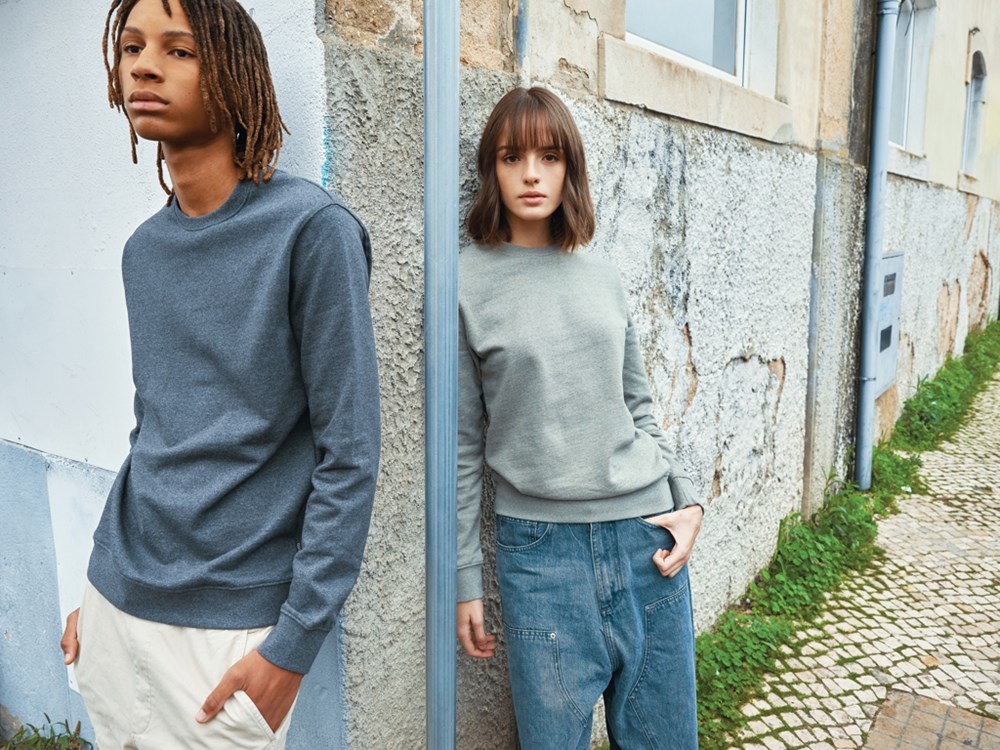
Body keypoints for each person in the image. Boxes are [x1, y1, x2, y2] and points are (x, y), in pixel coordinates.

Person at [58, 0, 380, 747]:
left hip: (228, 637)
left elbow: (350, 453)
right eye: (132, 47)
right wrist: (102, 589)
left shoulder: (312, 231)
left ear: (235, 75)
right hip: (114, 611)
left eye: (179, 51)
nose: (144, 66)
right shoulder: (143, 251)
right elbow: (155, 428)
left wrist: (291, 648)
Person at [455, 86, 704, 749]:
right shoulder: (465, 282)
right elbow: (462, 445)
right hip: (541, 557)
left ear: (570, 168)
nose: (531, 175)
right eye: (512, 158)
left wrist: (688, 503)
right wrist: (464, 579)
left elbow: (640, 407)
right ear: (491, 170)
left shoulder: (601, 276)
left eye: (549, 156)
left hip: (647, 541)